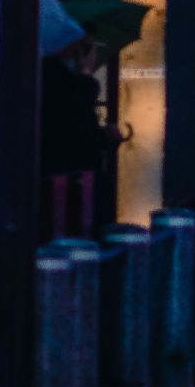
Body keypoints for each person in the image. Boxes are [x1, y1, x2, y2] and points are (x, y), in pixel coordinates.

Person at [40, 37, 119, 240]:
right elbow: (79, 131)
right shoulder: (67, 83)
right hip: (70, 181)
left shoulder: (49, 77)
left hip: (58, 176)